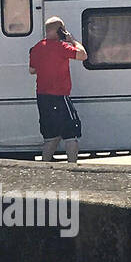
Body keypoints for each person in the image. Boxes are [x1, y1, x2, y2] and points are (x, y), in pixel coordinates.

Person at [29, 16, 88, 164]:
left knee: (51, 137)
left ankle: (44, 168)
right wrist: (72, 40)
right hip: (59, 96)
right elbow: (83, 55)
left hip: (42, 97)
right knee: (71, 134)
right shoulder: (61, 47)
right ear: (60, 30)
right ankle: (72, 167)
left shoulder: (37, 47)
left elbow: (32, 70)